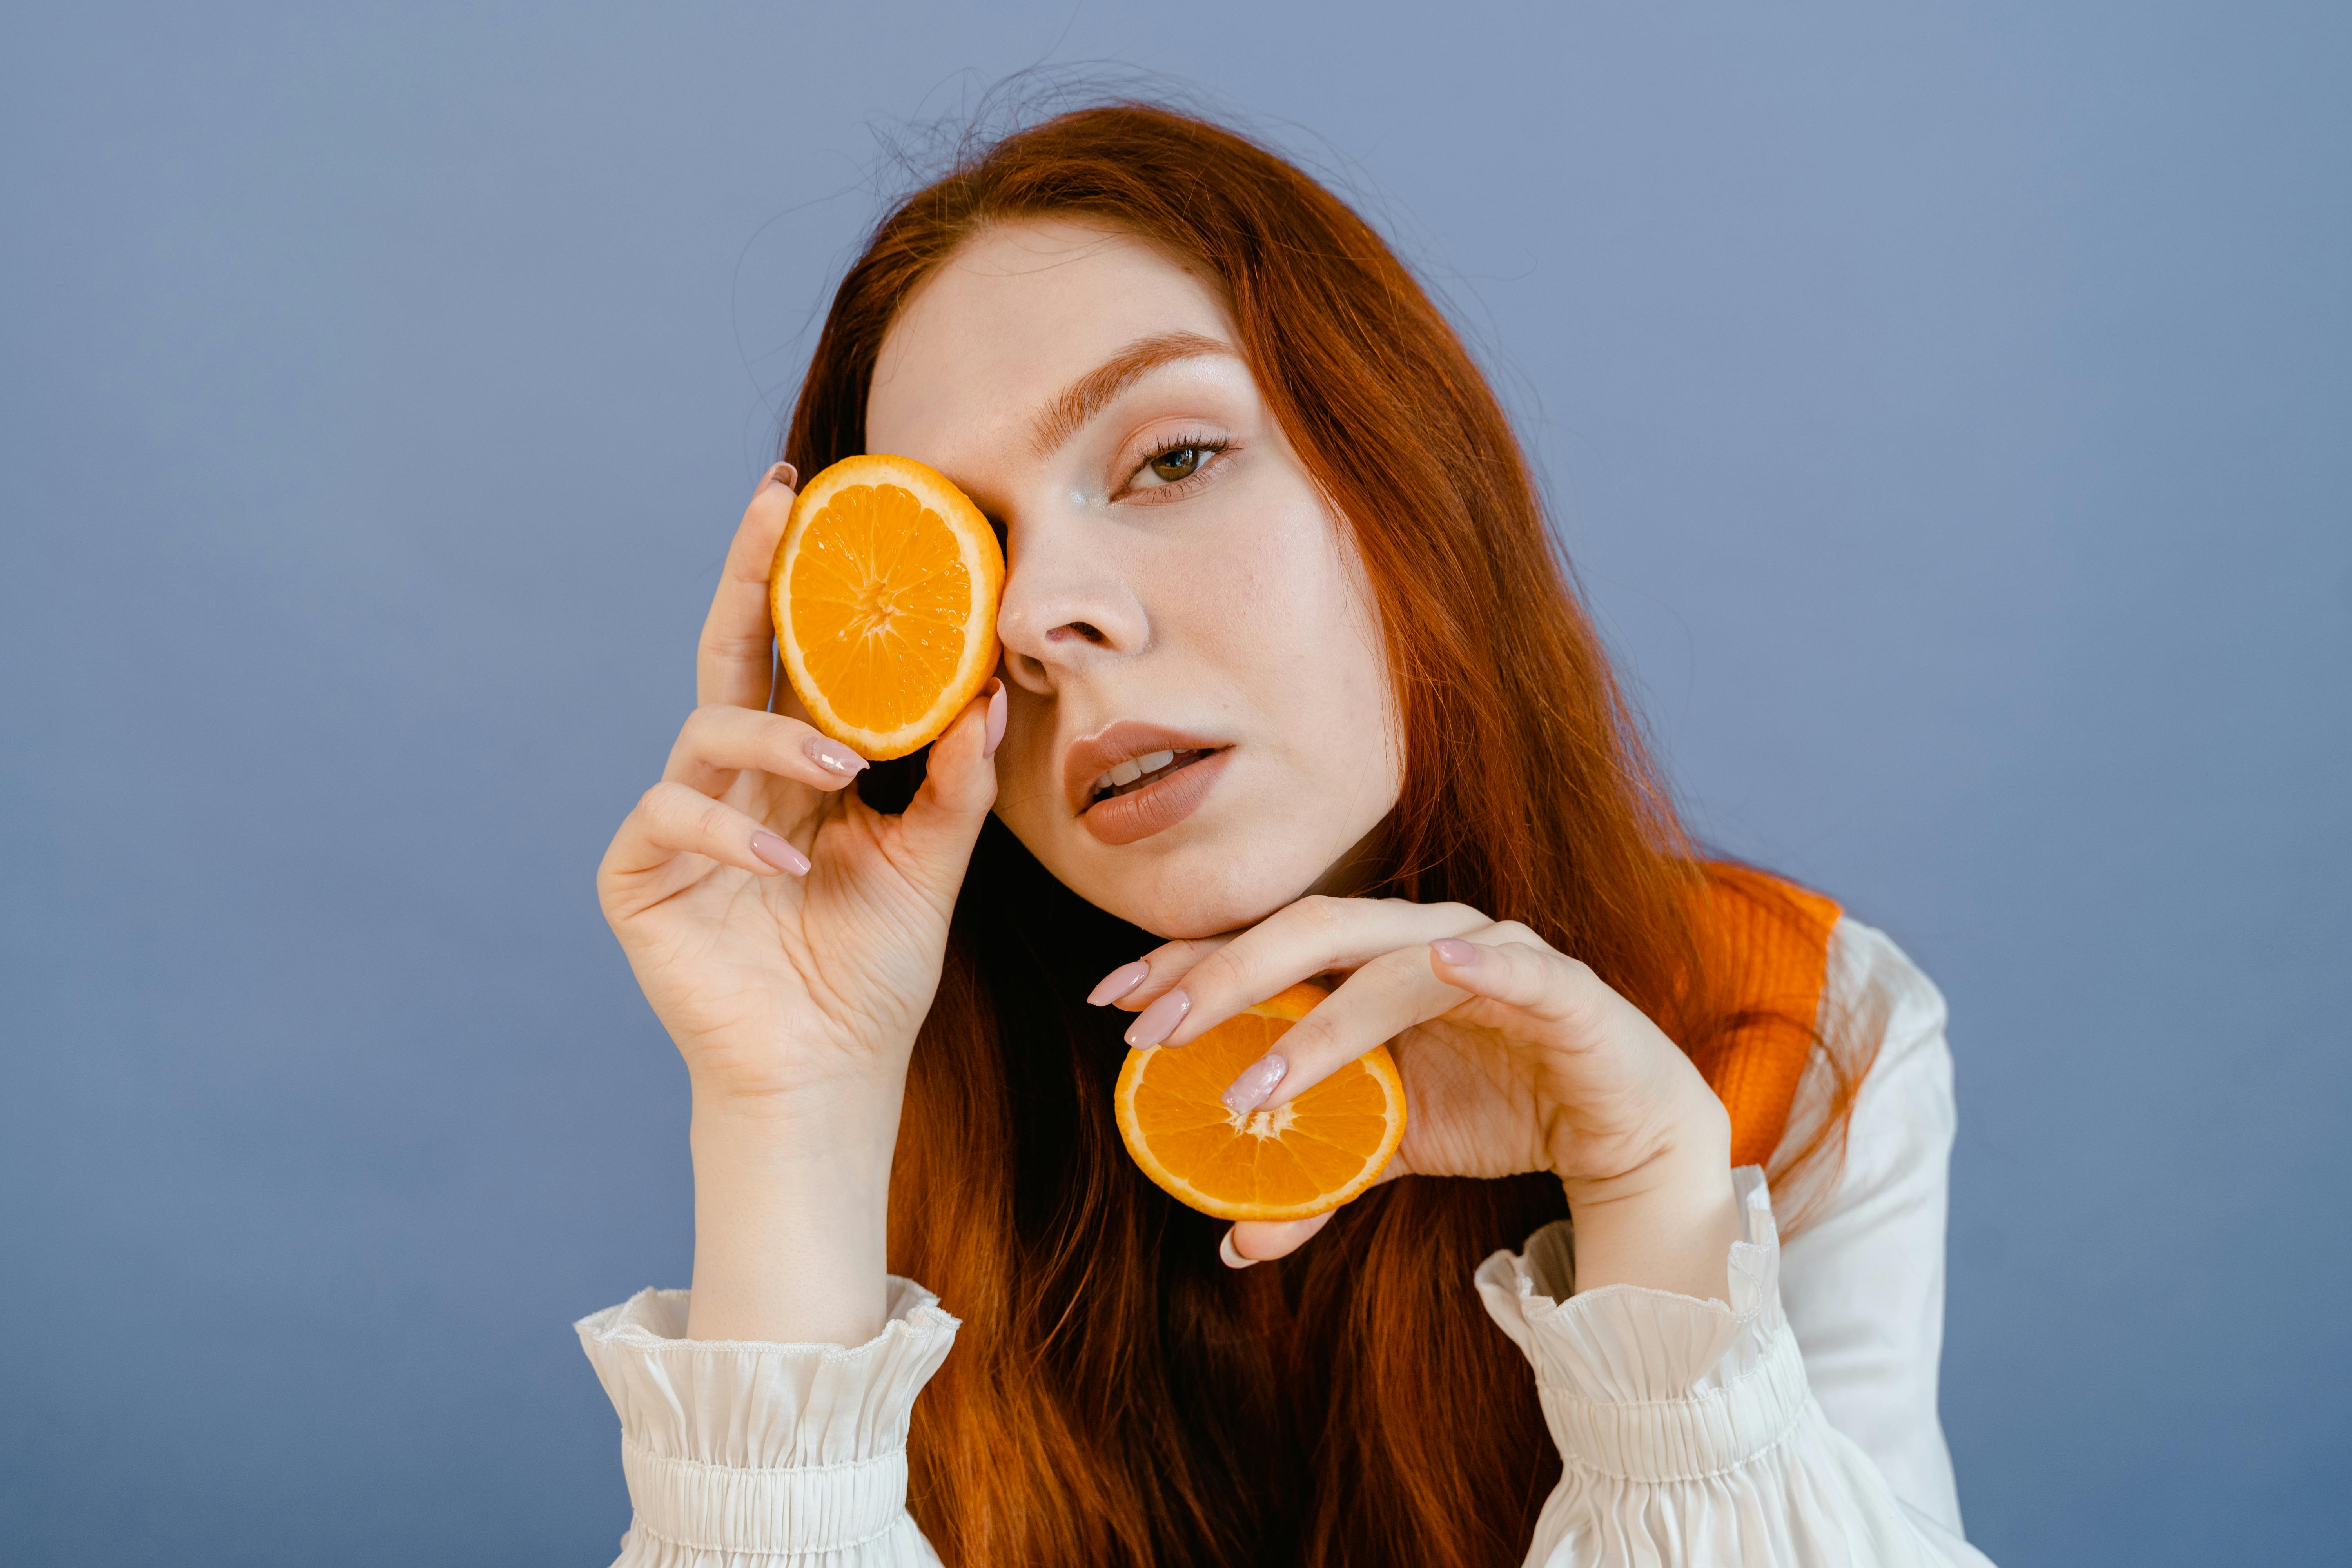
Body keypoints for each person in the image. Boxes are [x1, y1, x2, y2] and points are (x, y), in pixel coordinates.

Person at [581, 103, 1993, 1568]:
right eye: (967, 554)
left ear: (1404, 472)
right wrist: (789, 1117)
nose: (1040, 615)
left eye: (1172, 459)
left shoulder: (1792, 1028)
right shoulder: (916, 1088)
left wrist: (1648, 1208)